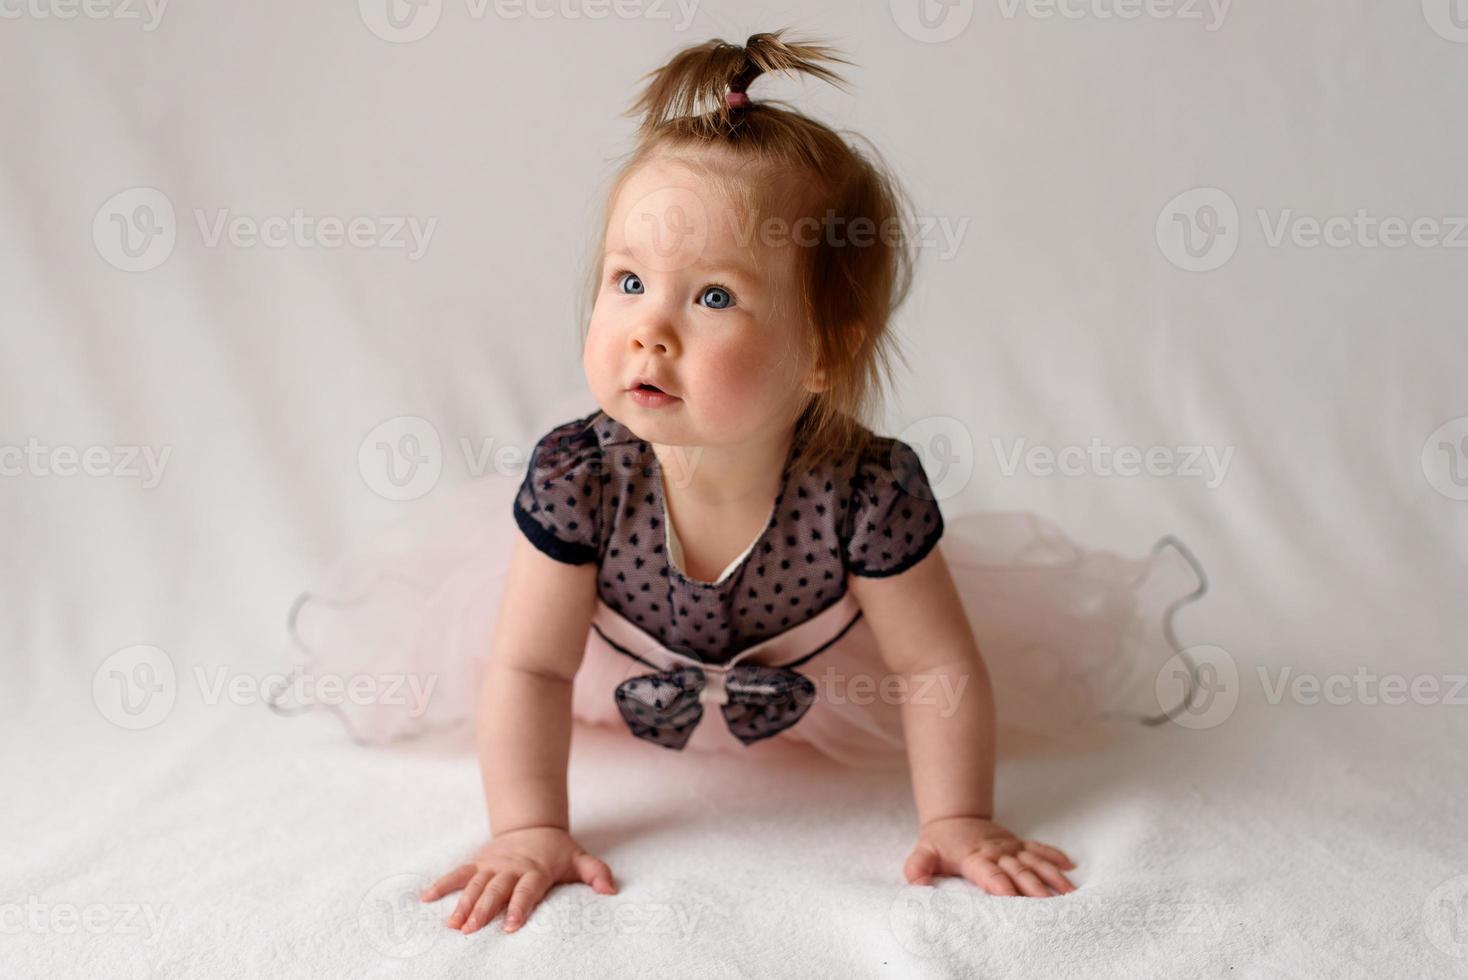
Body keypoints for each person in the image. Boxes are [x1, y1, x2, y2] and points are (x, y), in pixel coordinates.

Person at [281, 30, 1208, 936]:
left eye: (714, 297)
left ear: (824, 350)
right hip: (617, 662)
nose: (650, 331)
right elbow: (532, 666)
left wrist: (957, 817)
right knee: (515, 647)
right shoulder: (580, 477)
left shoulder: (868, 492)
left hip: (818, 675)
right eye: (628, 280)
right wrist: (529, 829)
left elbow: (933, 667)